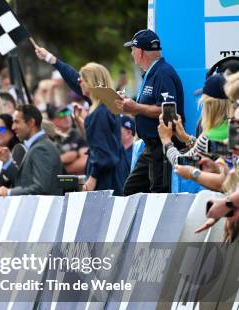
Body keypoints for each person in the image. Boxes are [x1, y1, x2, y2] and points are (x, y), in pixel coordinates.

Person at [34, 46, 127, 195]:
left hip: (106, 179)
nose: (78, 81)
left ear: (91, 83)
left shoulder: (99, 112)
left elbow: (103, 152)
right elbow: (100, 141)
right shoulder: (107, 105)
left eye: (82, 78)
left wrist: (93, 178)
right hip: (114, 173)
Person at [115, 29, 185, 194]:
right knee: (131, 190)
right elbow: (148, 107)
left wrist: (136, 107)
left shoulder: (163, 73)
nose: (131, 53)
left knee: (158, 194)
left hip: (162, 146)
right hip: (151, 146)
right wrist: (130, 104)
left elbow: (169, 111)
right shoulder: (152, 73)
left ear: (140, 51)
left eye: (132, 49)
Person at [0, 105, 62, 196]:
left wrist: (9, 192)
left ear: (31, 122)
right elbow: (25, 182)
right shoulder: (37, 146)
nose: (13, 127)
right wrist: (7, 162)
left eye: (16, 122)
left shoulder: (41, 148)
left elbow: (41, 188)